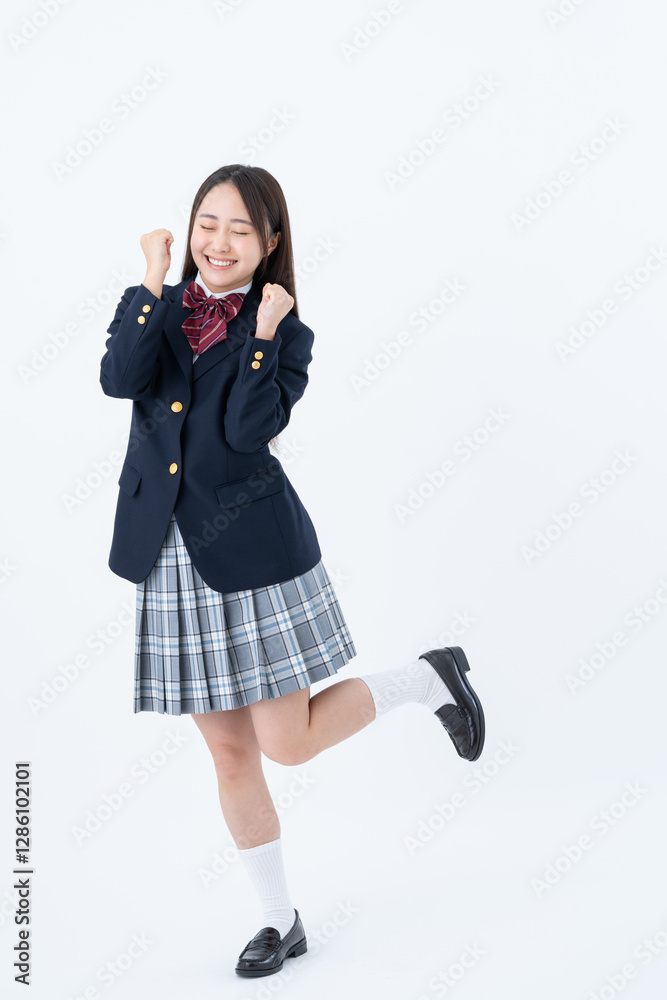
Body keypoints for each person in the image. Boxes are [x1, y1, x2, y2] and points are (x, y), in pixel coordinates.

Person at [100, 163, 486, 978]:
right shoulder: (155, 306)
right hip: (166, 557)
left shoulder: (285, 331)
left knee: (288, 743)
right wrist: (151, 279)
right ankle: (279, 919)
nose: (219, 242)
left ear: (270, 243)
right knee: (229, 753)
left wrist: (265, 334)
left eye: (240, 229)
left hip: (253, 553)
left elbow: (247, 433)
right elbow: (118, 379)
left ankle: (427, 679)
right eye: (207, 223)